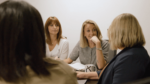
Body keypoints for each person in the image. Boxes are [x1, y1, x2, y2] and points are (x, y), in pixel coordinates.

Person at [0, 0, 77, 84]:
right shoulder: (64, 73)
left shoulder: (64, 43)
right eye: (51, 25)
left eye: (56, 25)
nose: (54, 27)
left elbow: (64, 60)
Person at [97, 13, 150, 84]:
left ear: (119, 33)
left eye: (110, 29)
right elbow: (111, 72)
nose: (109, 33)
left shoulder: (130, 58)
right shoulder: (131, 53)